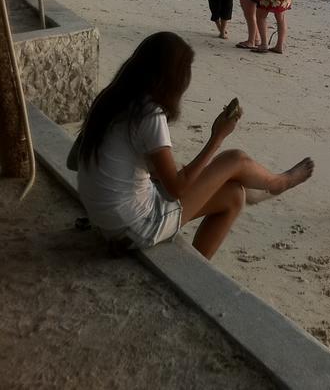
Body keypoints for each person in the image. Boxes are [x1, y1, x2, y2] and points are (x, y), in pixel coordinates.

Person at [75, 32, 314, 260]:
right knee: (234, 159)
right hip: (133, 226)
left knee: (233, 196)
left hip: (106, 218)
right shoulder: (149, 114)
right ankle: (275, 183)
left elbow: (75, 161)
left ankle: (198, 264)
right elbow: (177, 188)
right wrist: (217, 136)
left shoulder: (111, 99)